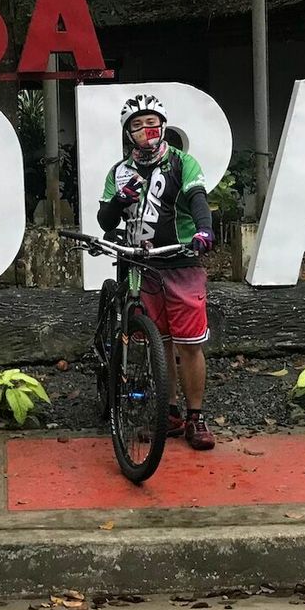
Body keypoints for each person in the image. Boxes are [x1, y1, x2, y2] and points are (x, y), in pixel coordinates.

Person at [95, 94, 216, 449]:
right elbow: (105, 221)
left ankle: (196, 416)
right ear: (127, 133)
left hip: (180, 261)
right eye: (137, 125)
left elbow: (198, 199)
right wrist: (119, 201)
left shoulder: (182, 162)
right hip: (141, 264)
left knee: (189, 344)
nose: (145, 130)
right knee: (158, 343)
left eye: (151, 123)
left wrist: (204, 230)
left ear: (163, 126)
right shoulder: (119, 172)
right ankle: (170, 412)